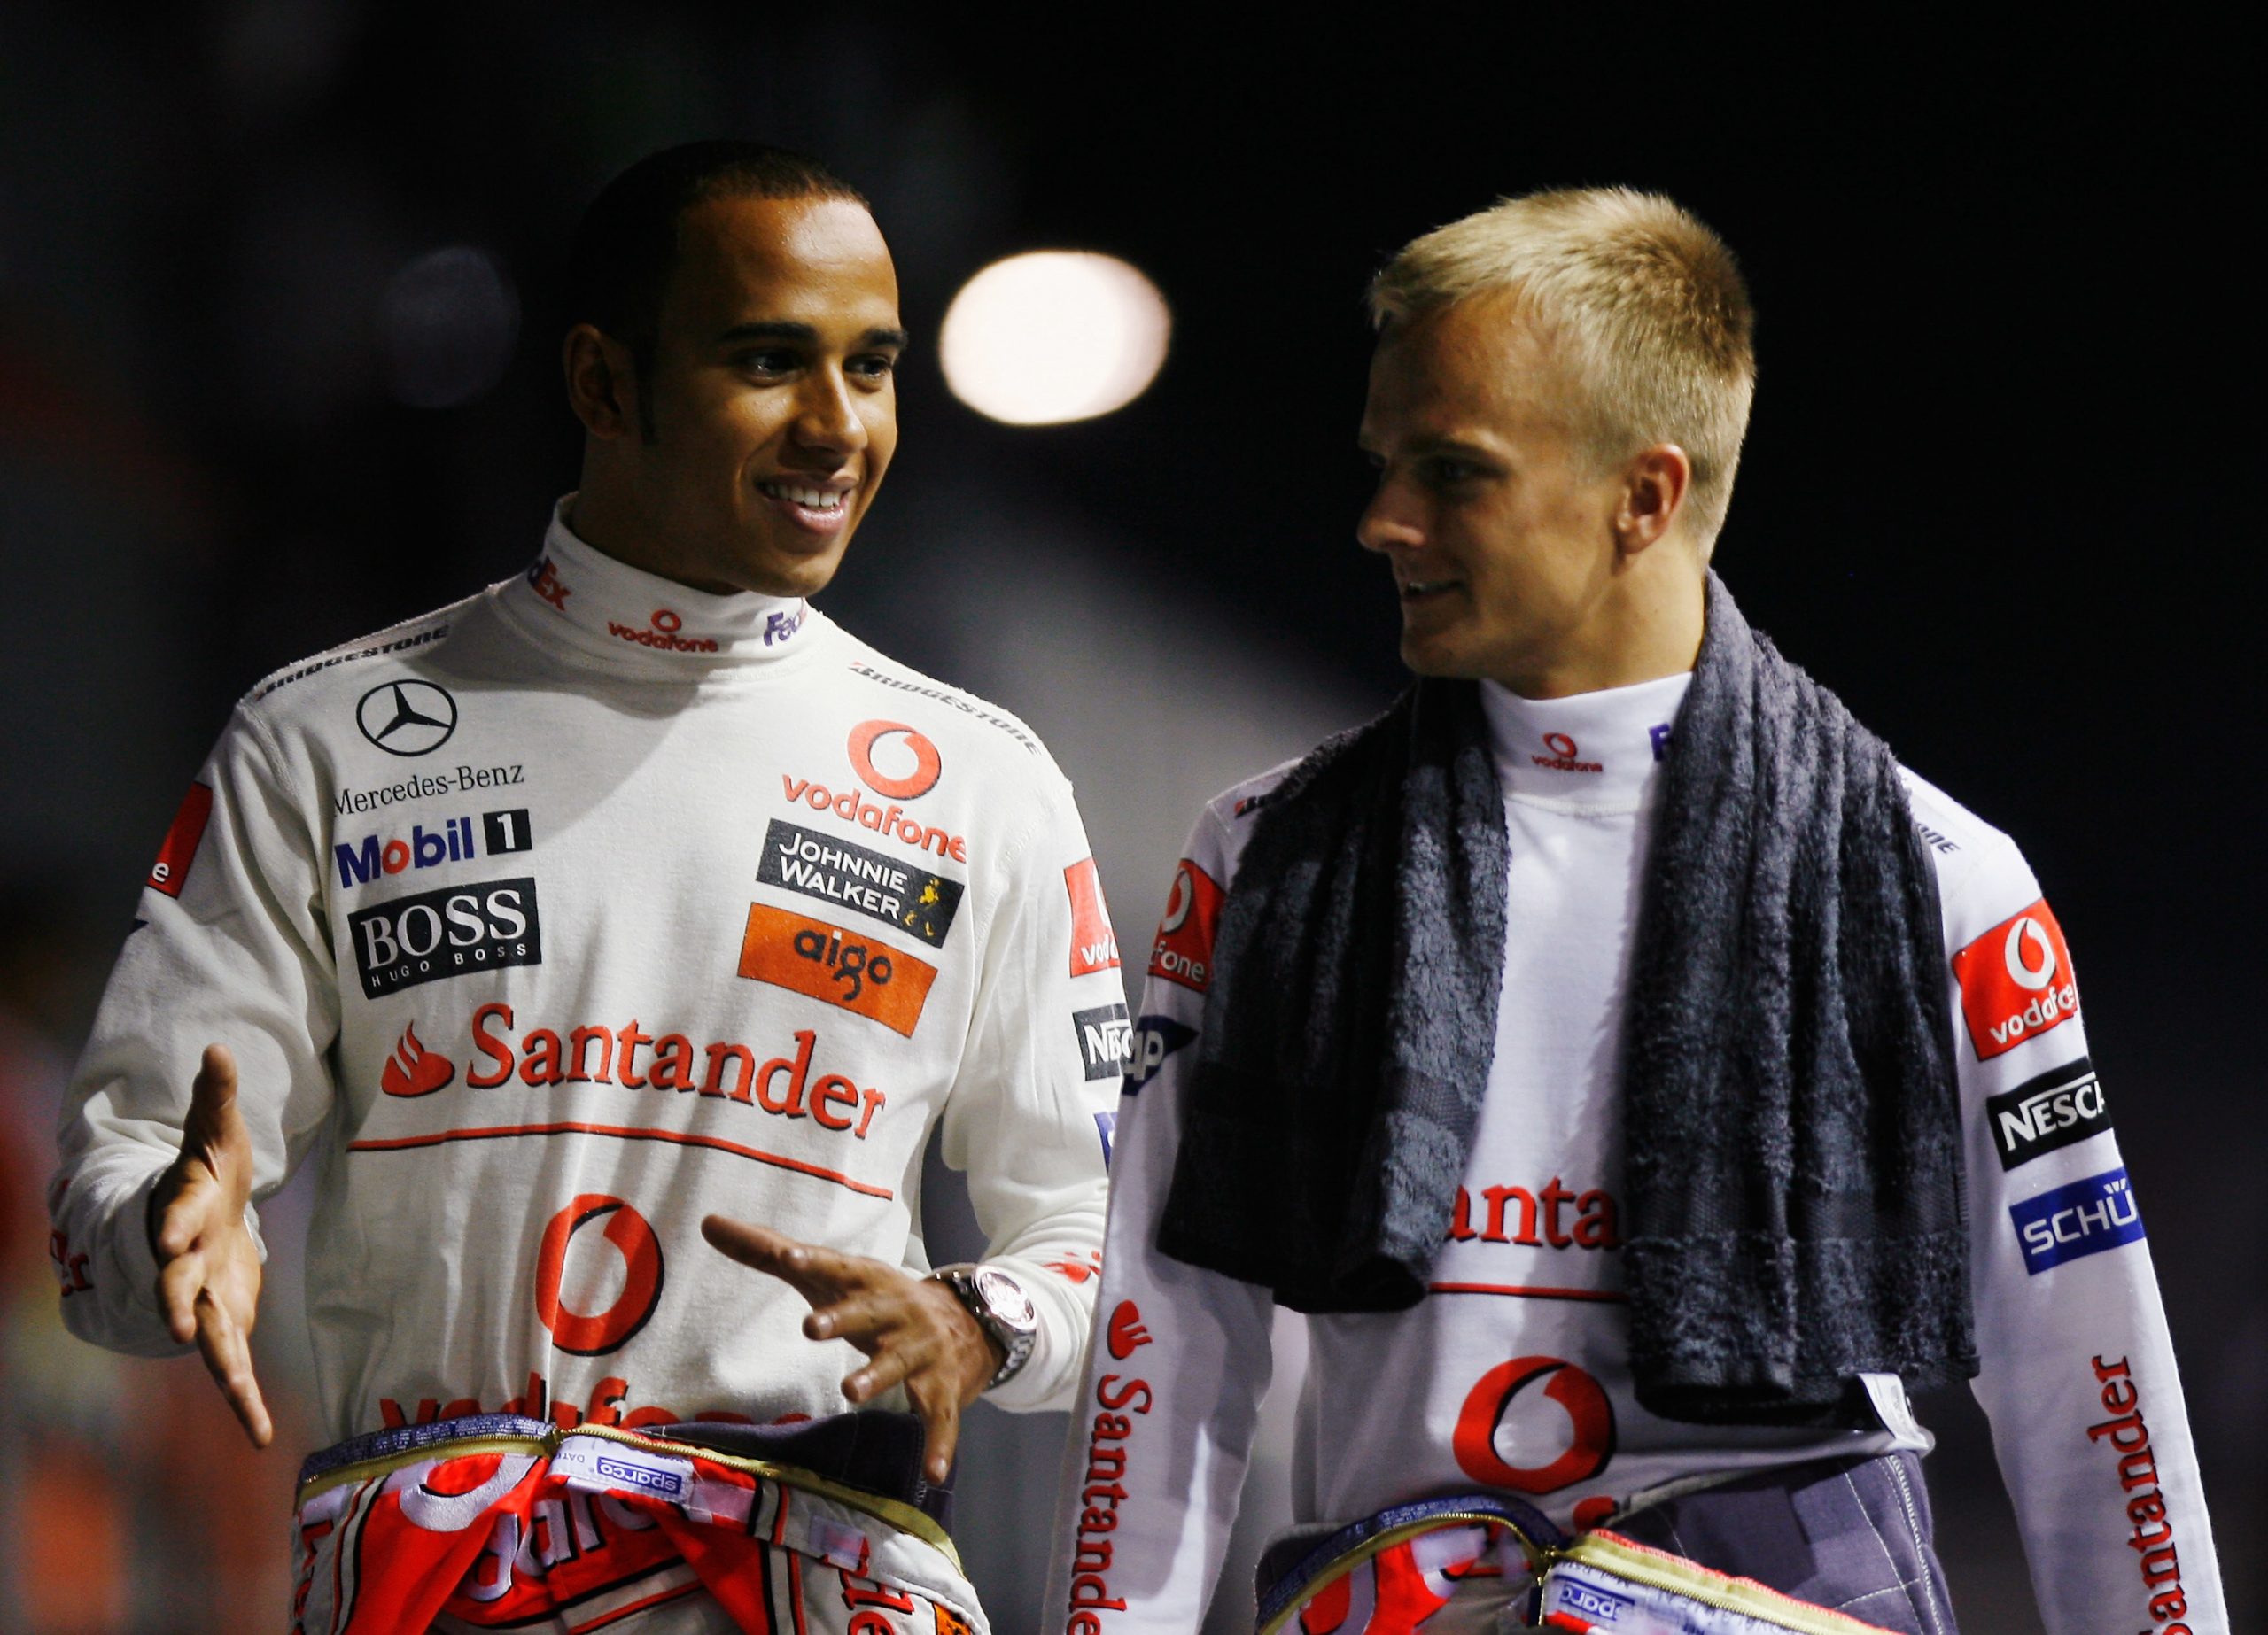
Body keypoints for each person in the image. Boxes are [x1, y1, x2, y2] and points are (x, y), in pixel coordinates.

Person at [1044, 189, 2224, 1635]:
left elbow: (2089, 1381)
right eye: (1381, 464)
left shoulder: (1939, 879)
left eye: (1452, 472)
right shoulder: (1264, 858)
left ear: (1645, 496)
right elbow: (1165, 1346)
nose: (1383, 520)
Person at [50, 140, 1125, 1634]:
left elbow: (1099, 1240)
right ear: (603, 383)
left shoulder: (983, 782)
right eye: (771, 361)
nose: (838, 426)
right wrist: (167, 1229)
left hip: (825, 1584)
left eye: (872, 368)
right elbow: (112, 1210)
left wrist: (977, 1319)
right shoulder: (322, 740)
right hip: (445, 1588)